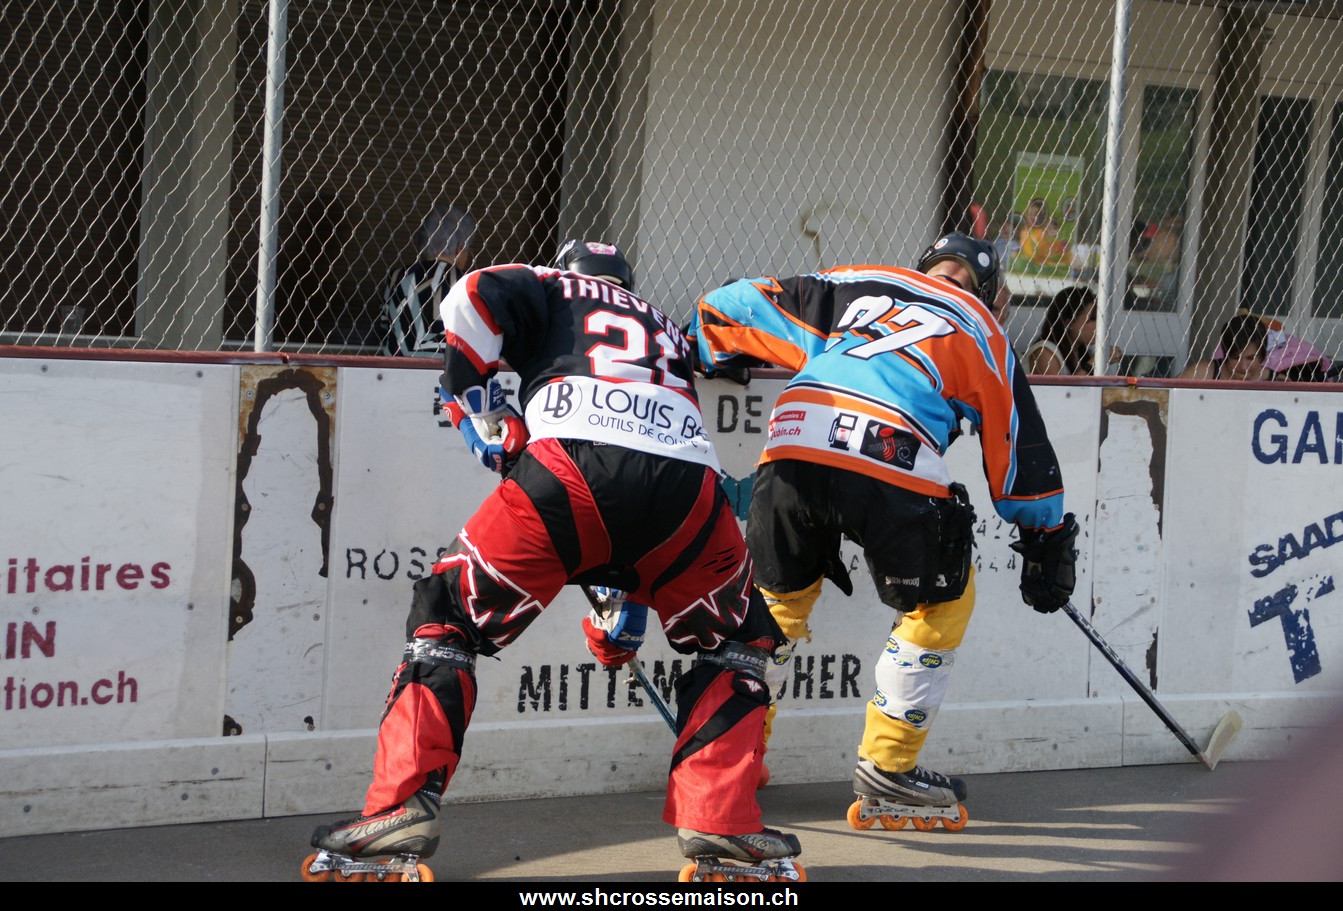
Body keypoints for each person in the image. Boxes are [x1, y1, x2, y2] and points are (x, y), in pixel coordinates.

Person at [307, 240, 804, 881]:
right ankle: (722, 822)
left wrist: (482, 407)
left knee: (445, 616)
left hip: (568, 468)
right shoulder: (662, 323)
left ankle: (400, 808)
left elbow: (473, 294)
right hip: (690, 490)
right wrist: (620, 613)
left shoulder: (551, 285)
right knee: (740, 640)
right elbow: (634, 513)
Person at [685, 231, 1079, 825]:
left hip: (794, 445)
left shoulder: (855, 282)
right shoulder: (983, 327)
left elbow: (730, 307)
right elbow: (1019, 456)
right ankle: (889, 767)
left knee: (772, 609)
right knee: (942, 602)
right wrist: (1045, 536)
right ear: (991, 294)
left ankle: (738, 755)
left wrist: (704, 346)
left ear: (923, 268)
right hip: (891, 453)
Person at [376, 204, 476, 357]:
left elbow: (383, 327)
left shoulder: (398, 277)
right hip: (452, 367)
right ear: (459, 248)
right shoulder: (469, 283)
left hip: (399, 365)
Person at [1024, 285, 1122, 376]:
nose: (1100, 325)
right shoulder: (1045, 352)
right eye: (1092, 319)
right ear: (1068, 322)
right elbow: (1058, 388)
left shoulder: (1079, 353)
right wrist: (1094, 362)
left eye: (1100, 319)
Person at [1179, 313, 1269, 381]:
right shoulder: (1203, 373)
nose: (1243, 367)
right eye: (1236, 358)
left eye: (1251, 358)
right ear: (1226, 354)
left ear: (1261, 356)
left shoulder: (1273, 380)